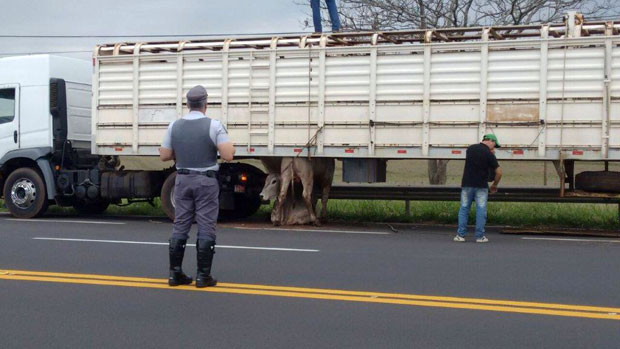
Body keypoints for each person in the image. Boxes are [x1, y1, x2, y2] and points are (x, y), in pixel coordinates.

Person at [159, 85, 235, 287]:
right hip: (205, 181)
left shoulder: (174, 126)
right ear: (205, 104)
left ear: (187, 104)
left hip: (182, 179)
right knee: (206, 225)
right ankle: (203, 275)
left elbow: (164, 155)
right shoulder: (214, 125)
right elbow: (228, 155)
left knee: (180, 224)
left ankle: (175, 274)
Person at [453, 134, 502, 243]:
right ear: (490, 141)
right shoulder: (489, 154)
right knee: (481, 210)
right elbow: (498, 172)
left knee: (464, 209)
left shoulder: (470, 149)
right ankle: (479, 236)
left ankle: (460, 235)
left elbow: (476, 160)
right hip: (481, 186)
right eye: (494, 144)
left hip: (467, 184)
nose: (494, 147)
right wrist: (495, 185)